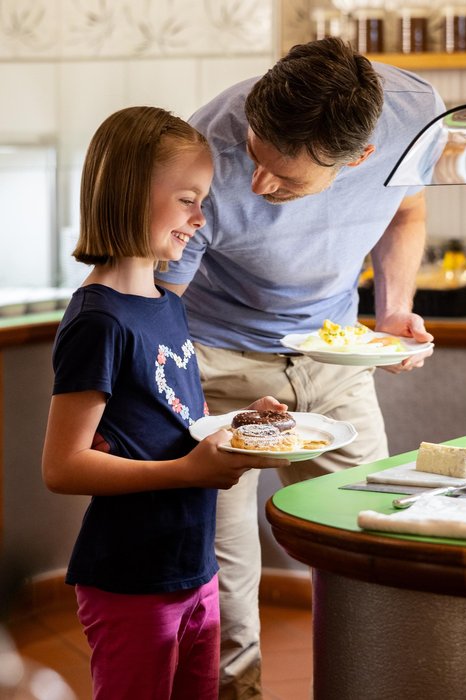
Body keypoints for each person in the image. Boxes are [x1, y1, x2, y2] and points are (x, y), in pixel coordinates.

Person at [154, 37, 447, 699]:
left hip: (332, 354)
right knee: (220, 565)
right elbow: (158, 302)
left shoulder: (415, 114)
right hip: (214, 358)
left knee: (373, 537)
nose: (259, 184)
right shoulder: (201, 147)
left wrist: (393, 311)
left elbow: (405, 210)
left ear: (359, 158)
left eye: (284, 179)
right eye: (256, 158)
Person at [41, 105, 290, 700]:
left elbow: (175, 420)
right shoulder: (98, 320)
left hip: (193, 563)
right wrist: (187, 471)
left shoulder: (167, 302)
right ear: (129, 193)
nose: (201, 219)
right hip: (130, 576)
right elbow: (62, 466)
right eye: (187, 199)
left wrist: (242, 422)